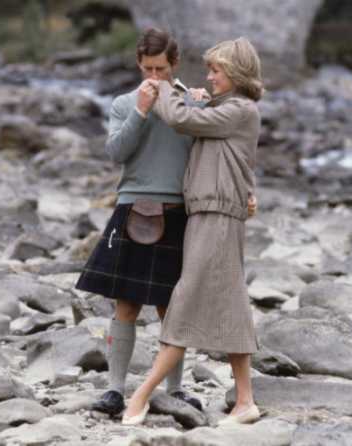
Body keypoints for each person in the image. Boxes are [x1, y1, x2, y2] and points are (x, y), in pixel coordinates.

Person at [76, 28, 256, 416]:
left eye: (160, 69)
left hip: (179, 211)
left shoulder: (193, 103)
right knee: (125, 305)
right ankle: (114, 390)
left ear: (174, 64)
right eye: (147, 69)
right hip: (133, 205)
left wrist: (245, 190)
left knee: (173, 308)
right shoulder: (124, 103)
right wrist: (141, 111)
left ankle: (174, 390)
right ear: (138, 65)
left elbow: (224, 152)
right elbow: (116, 152)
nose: (154, 76)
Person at [121, 37, 263, 427]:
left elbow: (183, 120)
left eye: (216, 70)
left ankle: (140, 395)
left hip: (217, 216)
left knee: (183, 301)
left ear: (236, 73)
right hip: (209, 213)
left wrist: (166, 88)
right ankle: (245, 401)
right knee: (231, 303)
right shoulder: (225, 108)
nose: (210, 77)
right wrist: (190, 96)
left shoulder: (240, 110)